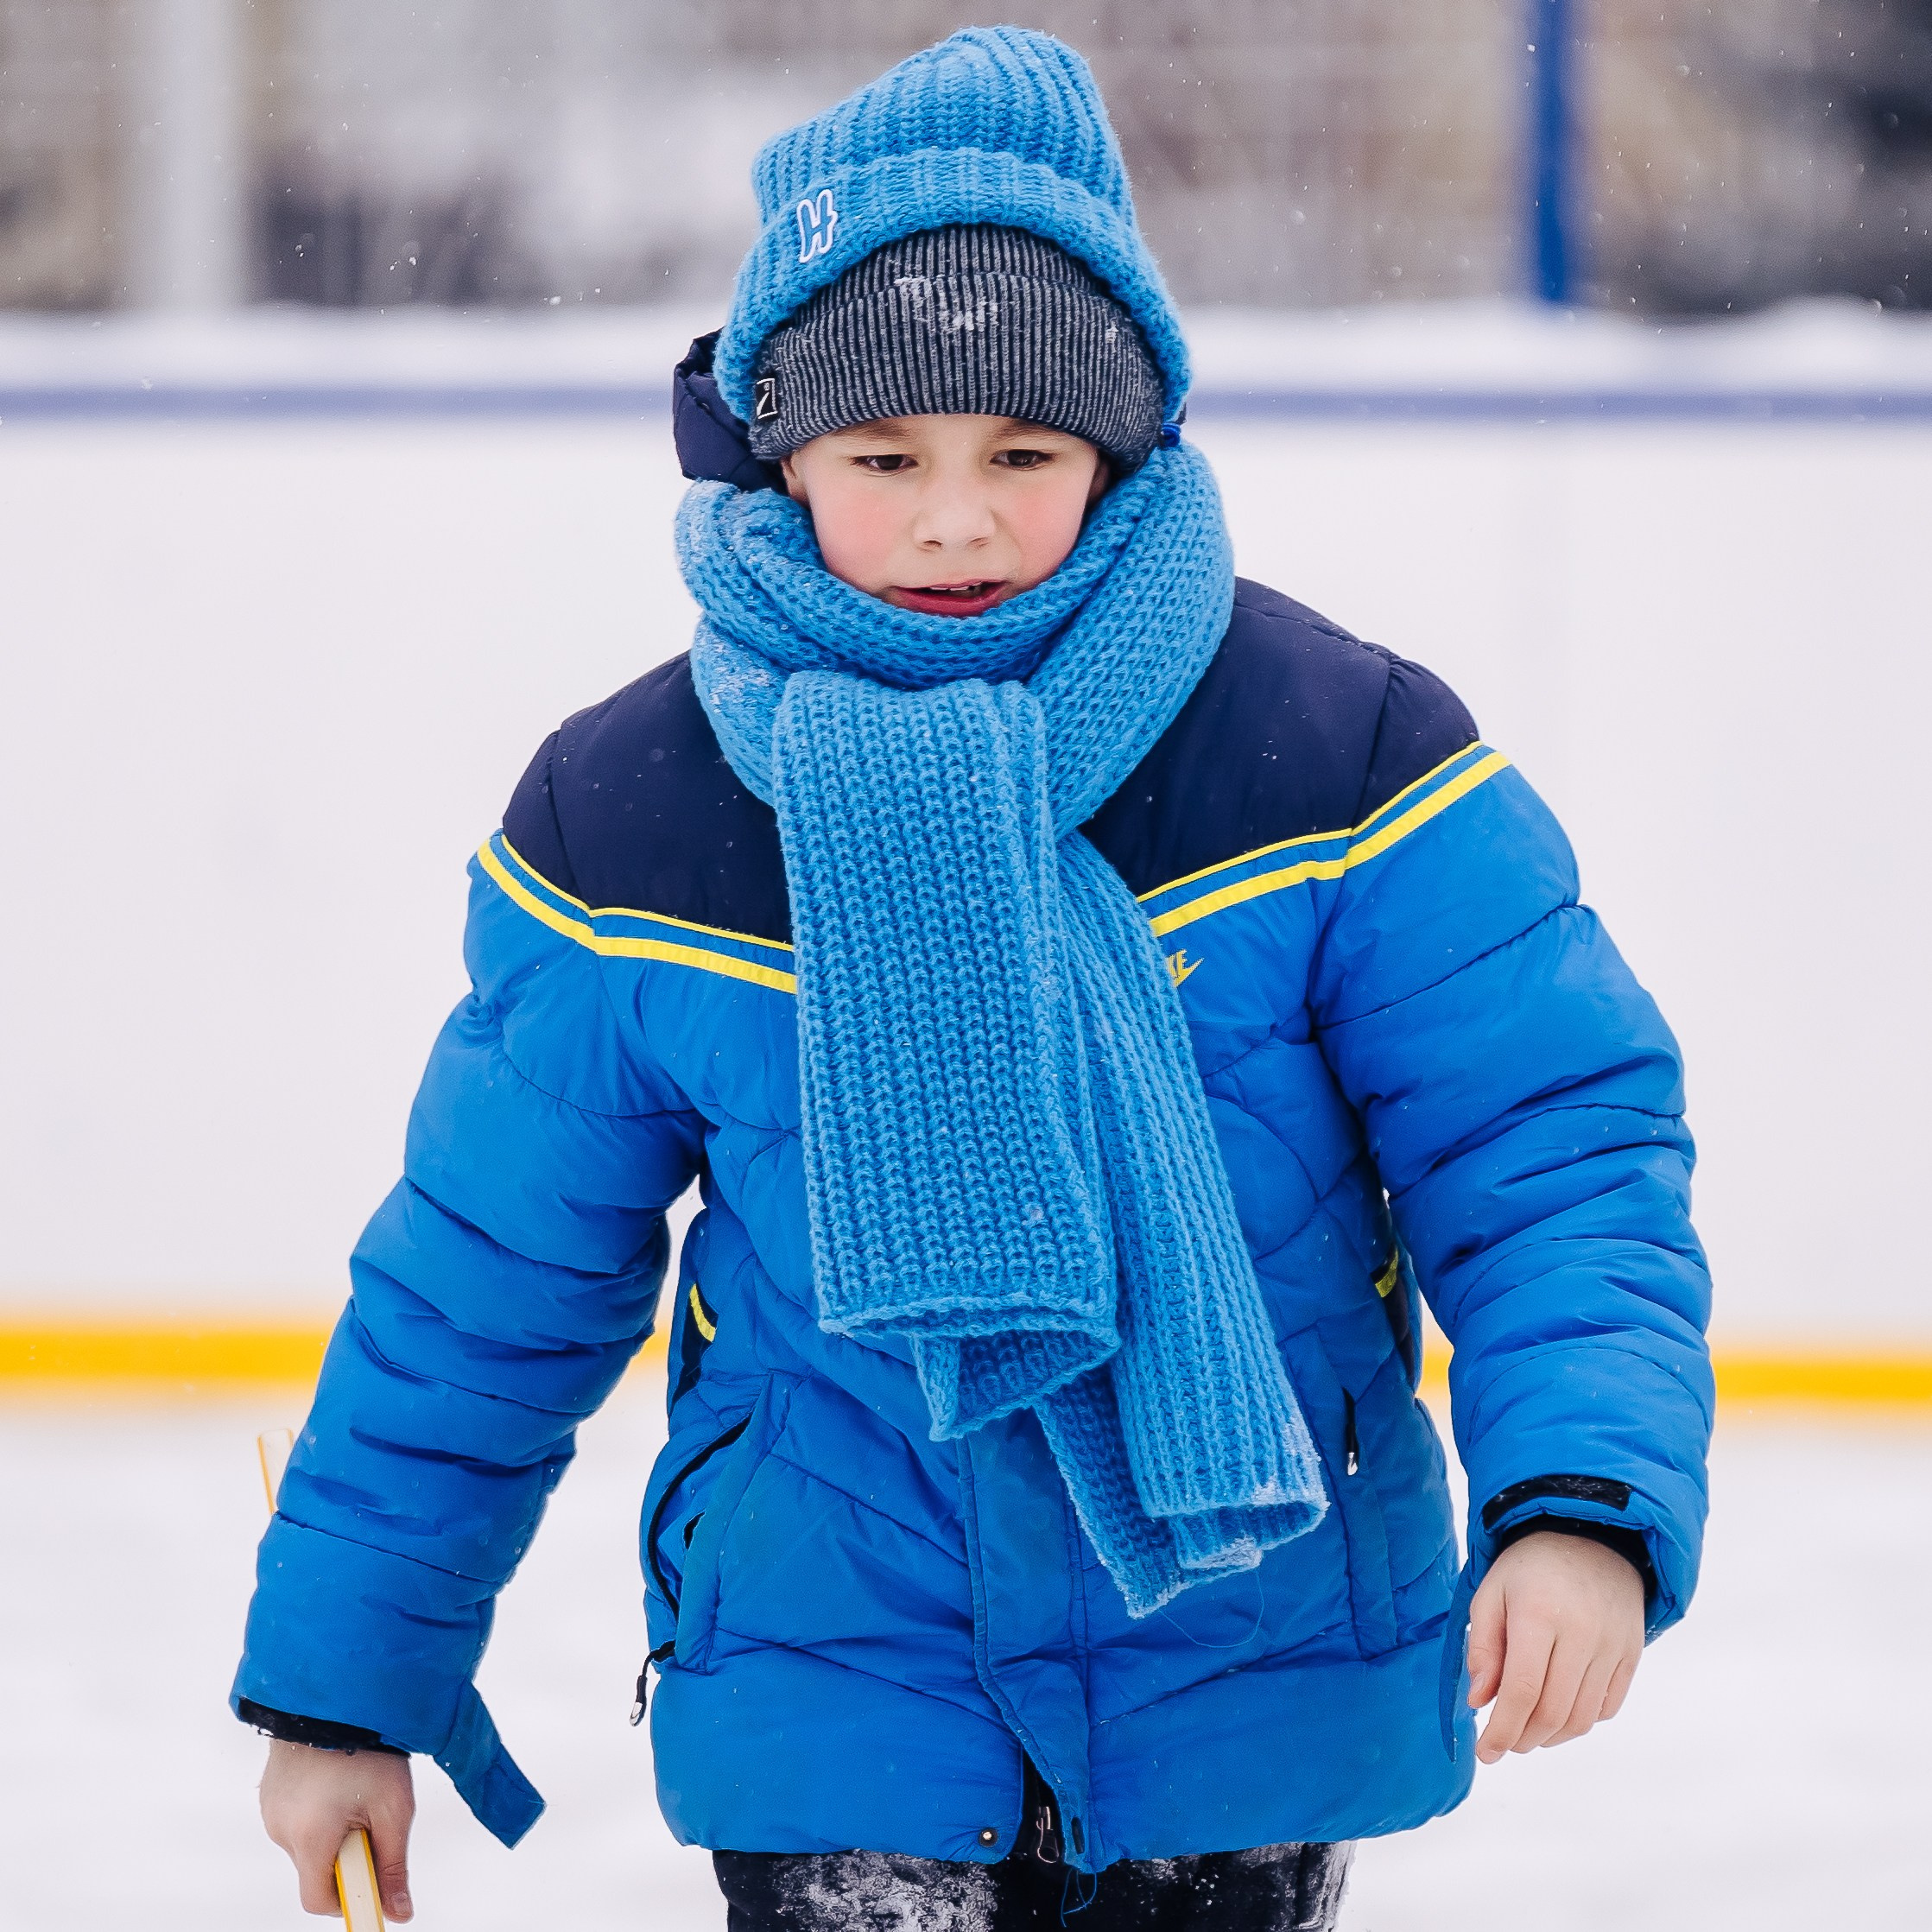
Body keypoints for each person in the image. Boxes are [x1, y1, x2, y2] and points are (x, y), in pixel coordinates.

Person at [239, 29, 1713, 1932]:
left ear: (1121, 443)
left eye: (1021, 454)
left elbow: (1556, 1156)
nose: (955, 517)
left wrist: (1581, 1501)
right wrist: (349, 1685)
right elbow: (479, 1287)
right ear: (780, 455)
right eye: (885, 457)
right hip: (838, 1694)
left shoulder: (1336, 750)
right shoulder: (637, 811)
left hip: (1242, 1681)